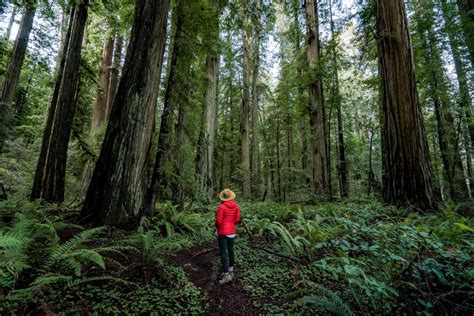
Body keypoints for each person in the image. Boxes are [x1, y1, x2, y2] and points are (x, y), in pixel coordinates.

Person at [215, 188, 241, 285]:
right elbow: (237, 219)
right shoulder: (236, 207)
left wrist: (219, 227)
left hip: (223, 232)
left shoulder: (221, 207)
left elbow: (218, 221)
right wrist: (230, 224)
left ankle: (226, 275)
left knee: (223, 252)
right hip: (232, 232)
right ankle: (231, 271)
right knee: (231, 250)